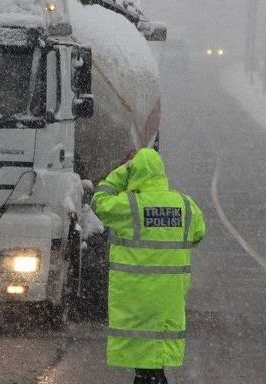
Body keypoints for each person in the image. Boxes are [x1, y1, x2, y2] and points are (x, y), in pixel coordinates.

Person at [91, 148, 206, 384]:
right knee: (155, 358)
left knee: (144, 362)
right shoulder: (185, 204)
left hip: (135, 296)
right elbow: (198, 234)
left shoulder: (129, 206)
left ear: (135, 173)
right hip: (169, 296)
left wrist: (121, 174)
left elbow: (99, 200)